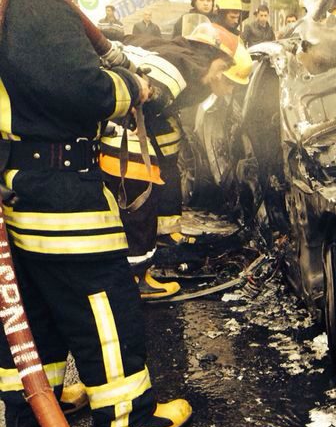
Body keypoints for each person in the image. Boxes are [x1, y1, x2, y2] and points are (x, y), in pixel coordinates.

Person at [0, 0, 191, 427]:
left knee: (34, 304)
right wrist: (132, 86)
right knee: (103, 299)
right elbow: (82, 88)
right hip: (63, 189)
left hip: (22, 184)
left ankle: (34, 409)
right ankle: (126, 415)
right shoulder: (35, 1)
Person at [101, 23, 245, 298]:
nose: (228, 87)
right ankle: (137, 279)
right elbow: (144, 97)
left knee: (148, 192)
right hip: (125, 136)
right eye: (227, 74)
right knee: (138, 204)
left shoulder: (177, 54)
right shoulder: (178, 71)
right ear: (213, 57)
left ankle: (161, 238)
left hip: (128, 128)